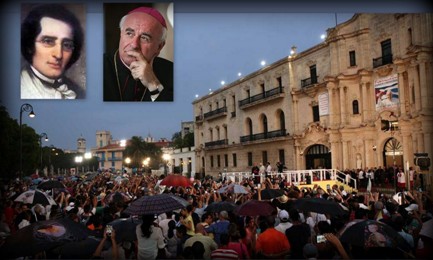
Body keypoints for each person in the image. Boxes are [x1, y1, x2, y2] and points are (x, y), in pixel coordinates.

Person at [103, 6, 173, 102]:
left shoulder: (173, 73)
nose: (134, 44)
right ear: (121, 34)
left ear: (159, 47)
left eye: (144, 38)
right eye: (129, 33)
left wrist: (153, 83)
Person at [20, 4, 85, 99]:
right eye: (48, 41)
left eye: (67, 45)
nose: (58, 55)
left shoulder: (78, 92)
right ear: (30, 45)